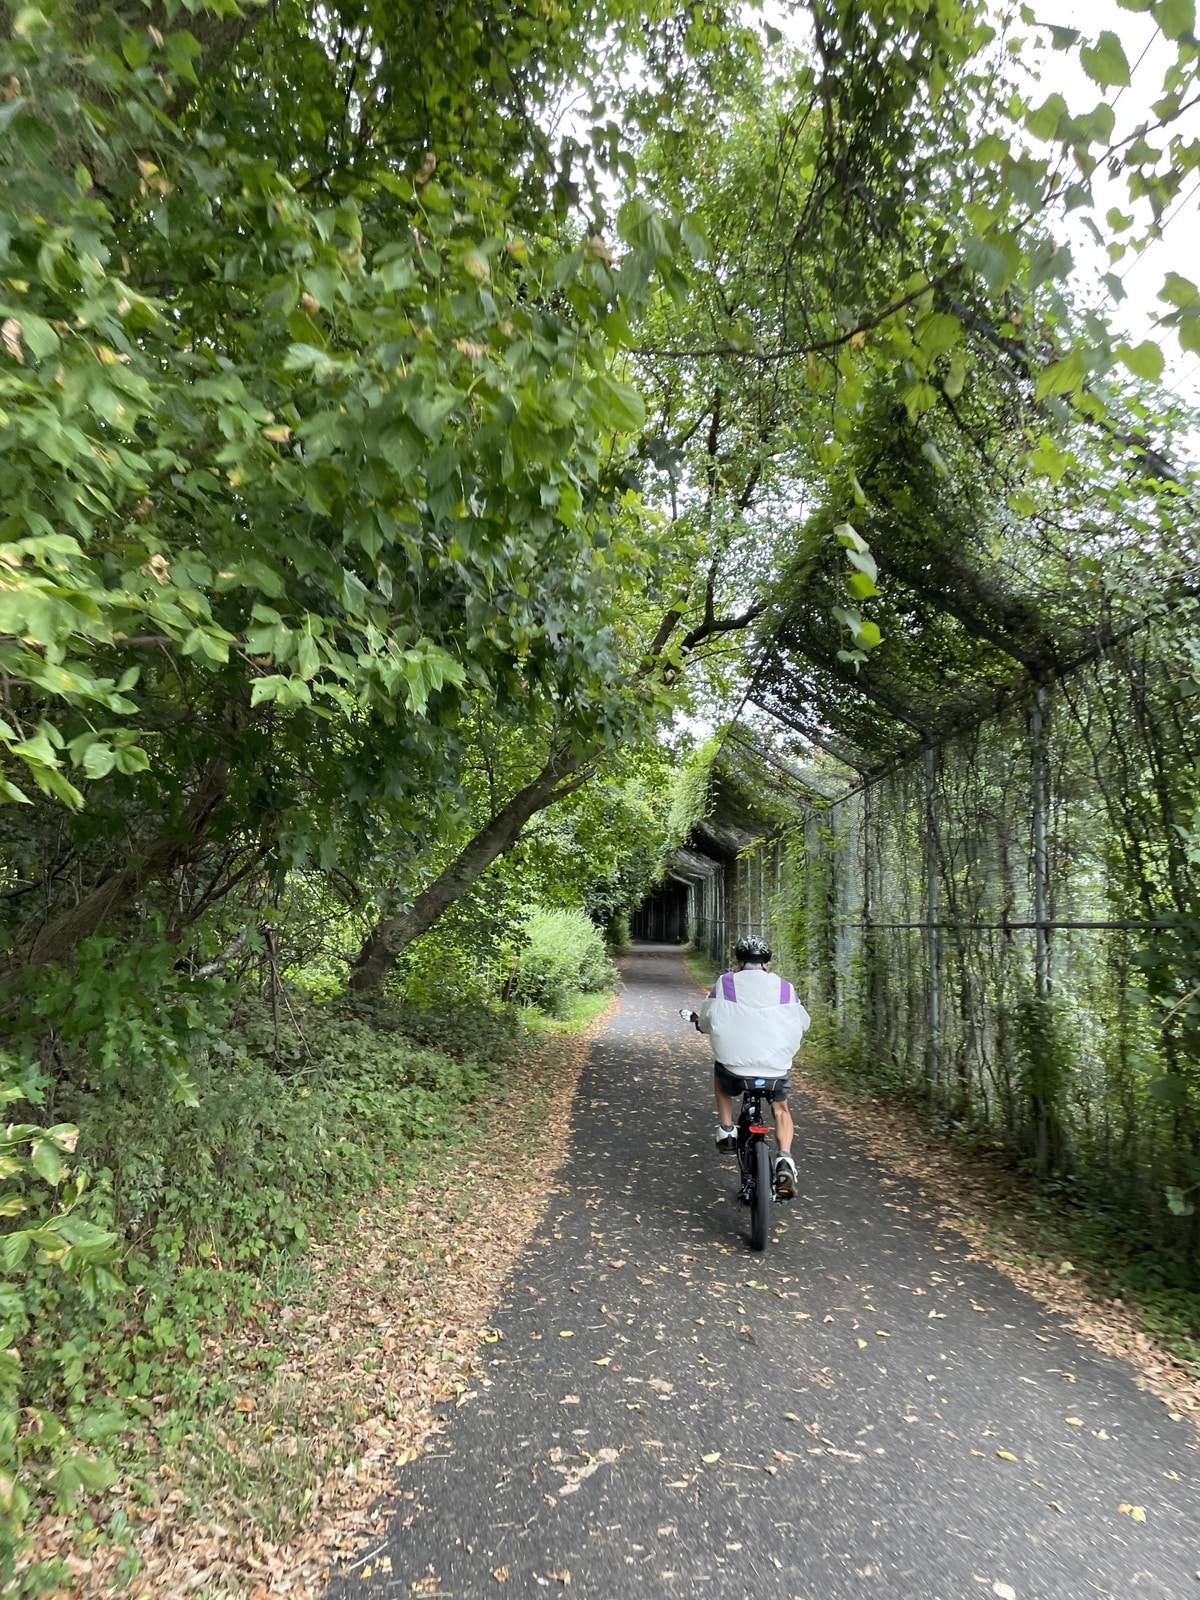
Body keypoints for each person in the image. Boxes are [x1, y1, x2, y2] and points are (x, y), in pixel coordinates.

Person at [694, 936, 810, 1199]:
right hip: (775, 1068)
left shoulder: (725, 982)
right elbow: (804, 1022)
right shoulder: (785, 987)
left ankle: (727, 1129)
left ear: (739, 961)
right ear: (767, 963)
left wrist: (702, 1025)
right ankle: (785, 1159)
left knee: (720, 1070)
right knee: (780, 1108)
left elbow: (707, 1019)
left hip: (734, 1069)